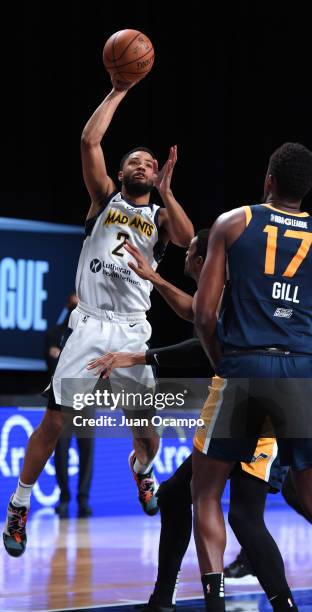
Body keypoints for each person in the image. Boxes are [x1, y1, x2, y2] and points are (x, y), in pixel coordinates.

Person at [3, 75, 194, 557]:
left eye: (150, 164)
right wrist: (120, 89)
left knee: (146, 431)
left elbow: (192, 242)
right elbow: (90, 140)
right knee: (54, 421)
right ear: (123, 172)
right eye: (135, 160)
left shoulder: (161, 219)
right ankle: (19, 505)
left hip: (132, 330)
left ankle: (143, 470)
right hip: (88, 324)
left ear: (157, 176)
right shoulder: (104, 197)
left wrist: (169, 192)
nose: (142, 166)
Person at [89, 232, 309, 611]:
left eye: (189, 252)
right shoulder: (231, 288)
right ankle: (163, 598)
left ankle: (261, 603)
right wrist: (155, 281)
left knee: (244, 514)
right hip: (268, 399)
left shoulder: (231, 289)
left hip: (255, 404)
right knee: (186, 498)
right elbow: (194, 313)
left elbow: (201, 332)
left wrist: (139, 358)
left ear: (202, 259)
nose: (185, 257)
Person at [192, 142, 312, 612]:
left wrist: (223, 361)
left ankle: (215, 604)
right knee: (305, 492)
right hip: (300, 370)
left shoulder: (233, 222)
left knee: (205, 493)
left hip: (244, 364)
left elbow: (203, 314)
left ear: (269, 179)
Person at [45, 293, 94, 518]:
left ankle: (83, 499)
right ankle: (64, 498)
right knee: (61, 450)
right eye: (74, 305)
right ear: (68, 307)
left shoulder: (93, 337)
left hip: (86, 399)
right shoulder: (55, 334)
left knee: (86, 450)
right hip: (63, 399)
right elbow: (53, 366)